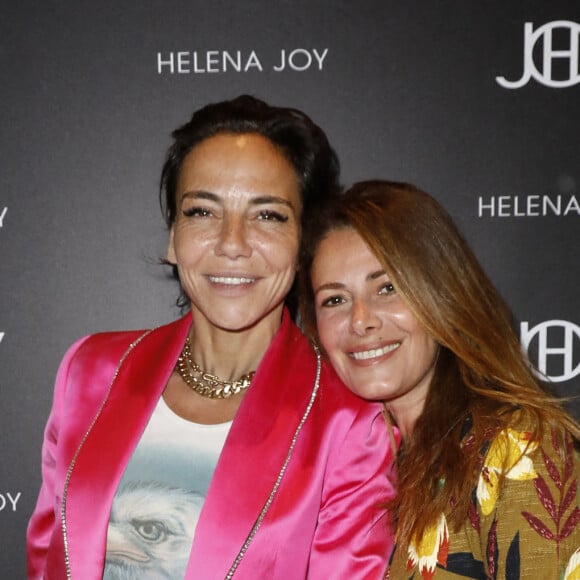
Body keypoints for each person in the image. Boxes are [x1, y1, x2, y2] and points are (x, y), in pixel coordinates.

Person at [26, 98, 398, 580]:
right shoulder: (90, 370)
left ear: (303, 244)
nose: (231, 242)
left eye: (268, 216)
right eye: (202, 211)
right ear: (173, 236)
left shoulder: (347, 424)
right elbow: (46, 557)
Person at [299, 179, 580, 579]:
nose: (360, 320)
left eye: (388, 288)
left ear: (441, 292)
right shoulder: (349, 465)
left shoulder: (517, 449)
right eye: (335, 299)